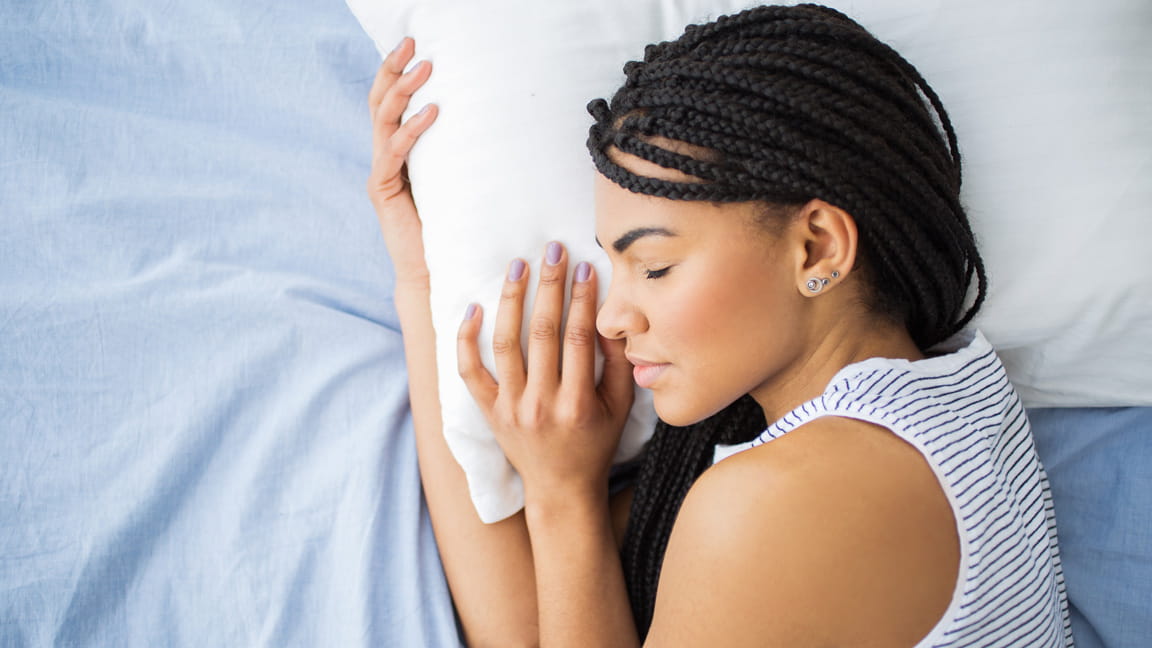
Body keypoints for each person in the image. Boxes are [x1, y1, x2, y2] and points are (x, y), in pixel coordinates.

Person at [367, 4, 1072, 646]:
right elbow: (532, 630)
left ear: (817, 247)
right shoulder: (946, 398)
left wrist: (559, 496)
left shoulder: (780, 504)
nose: (613, 318)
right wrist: (418, 279)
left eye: (656, 265)